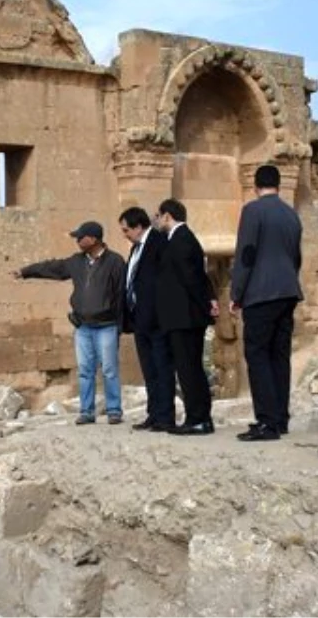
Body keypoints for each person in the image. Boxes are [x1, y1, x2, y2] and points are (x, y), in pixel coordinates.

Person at [14, 221, 127, 425]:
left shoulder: (115, 262)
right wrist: (26, 271)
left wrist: (119, 327)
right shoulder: (76, 262)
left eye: (80, 237)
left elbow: (121, 296)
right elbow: (52, 267)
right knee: (85, 370)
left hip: (107, 326)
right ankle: (86, 412)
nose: (77, 240)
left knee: (109, 369)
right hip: (83, 327)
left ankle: (114, 410)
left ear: (93, 239)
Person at [229, 165, 304, 441]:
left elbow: (246, 255)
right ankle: (280, 418)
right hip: (287, 292)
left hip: (261, 293)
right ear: (279, 184)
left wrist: (236, 293)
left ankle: (266, 422)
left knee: (258, 354)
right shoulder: (291, 215)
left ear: (255, 185)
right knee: (279, 355)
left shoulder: (253, 211)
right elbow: (296, 257)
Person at [153, 199, 220, 435]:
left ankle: (198, 418)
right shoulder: (178, 239)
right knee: (189, 367)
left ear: (168, 216)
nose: (157, 220)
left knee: (189, 368)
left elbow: (193, 278)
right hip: (182, 316)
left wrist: (205, 305)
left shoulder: (182, 240)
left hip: (186, 317)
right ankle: (199, 417)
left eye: (158, 215)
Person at [118, 207, 177, 432]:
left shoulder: (159, 243)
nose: (124, 234)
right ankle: (154, 414)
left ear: (138, 226)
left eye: (126, 230)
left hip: (158, 318)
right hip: (140, 318)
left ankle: (166, 416)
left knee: (163, 367)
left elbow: (165, 279)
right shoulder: (136, 249)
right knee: (149, 369)